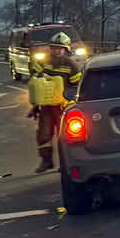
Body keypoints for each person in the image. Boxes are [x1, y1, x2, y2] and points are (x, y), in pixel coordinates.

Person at [27, 31, 79, 173]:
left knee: (64, 137)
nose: (56, 51)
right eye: (54, 48)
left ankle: (65, 163)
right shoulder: (44, 62)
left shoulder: (71, 66)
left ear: (66, 49)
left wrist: (68, 101)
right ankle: (46, 161)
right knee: (43, 134)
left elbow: (76, 87)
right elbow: (36, 83)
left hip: (64, 107)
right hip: (47, 106)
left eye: (59, 48)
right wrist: (35, 105)